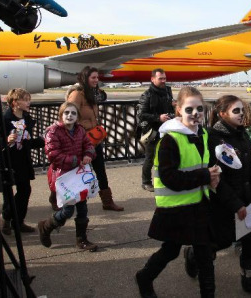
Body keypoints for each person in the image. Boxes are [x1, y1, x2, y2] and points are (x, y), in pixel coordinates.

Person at [135, 87, 220, 298]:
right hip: (176, 208)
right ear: (179, 110)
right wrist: (205, 176)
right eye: (189, 109)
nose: (195, 113)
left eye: (199, 108)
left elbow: (206, 164)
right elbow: (169, 178)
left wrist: (215, 175)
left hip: (199, 205)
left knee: (205, 256)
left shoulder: (203, 134)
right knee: (170, 250)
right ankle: (144, 277)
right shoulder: (169, 140)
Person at [199, 94, 251, 297]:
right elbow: (217, 179)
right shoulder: (213, 138)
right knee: (219, 242)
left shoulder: (243, 134)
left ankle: (250, 281)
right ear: (222, 114)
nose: (241, 114)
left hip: (246, 199)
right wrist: (235, 204)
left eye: (242, 110)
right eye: (236, 111)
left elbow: (250, 169)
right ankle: (194, 256)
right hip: (223, 203)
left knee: (248, 243)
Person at [38, 101, 99, 251]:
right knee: (68, 210)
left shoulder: (80, 130)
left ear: (77, 116)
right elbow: (53, 155)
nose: (70, 116)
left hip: (78, 175)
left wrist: (88, 154)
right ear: (61, 115)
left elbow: (88, 146)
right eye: (66, 113)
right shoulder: (53, 132)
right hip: (63, 176)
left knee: (83, 208)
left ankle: (82, 240)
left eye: (73, 113)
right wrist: (77, 161)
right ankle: (46, 226)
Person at [67, 65, 124, 211]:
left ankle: (107, 201)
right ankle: (57, 196)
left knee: (100, 170)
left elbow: (102, 96)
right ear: (85, 78)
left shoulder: (91, 93)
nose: (96, 80)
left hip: (93, 139)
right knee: (75, 172)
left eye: (97, 77)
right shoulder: (77, 94)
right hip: (81, 139)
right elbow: (68, 116)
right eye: (93, 77)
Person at [1, 88, 45, 235]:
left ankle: (17, 221)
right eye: (25, 100)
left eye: (29, 99)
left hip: (23, 160)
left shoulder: (26, 119)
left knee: (25, 190)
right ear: (15, 102)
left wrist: (43, 141)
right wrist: (6, 140)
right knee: (8, 191)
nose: (28, 103)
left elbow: (28, 142)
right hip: (8, 160)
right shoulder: (5, 120)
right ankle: (7, 217)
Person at [137, 68, 175, 192]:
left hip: (167, 129)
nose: (163, 81)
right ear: (152, 79)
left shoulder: (168, 92)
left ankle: (166, 179)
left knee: (167, 156)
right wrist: (158, 118)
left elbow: (169, 107)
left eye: (165, 78)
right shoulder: (147, 95)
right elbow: (141, 114)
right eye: (161, 78)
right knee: (150, 157)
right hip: (153, 131)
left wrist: (174, 107)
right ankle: (146, 182)